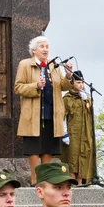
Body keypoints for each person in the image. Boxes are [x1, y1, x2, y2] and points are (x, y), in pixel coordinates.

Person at [14, 35, 73, 185]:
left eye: (47, 47)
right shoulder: (25, 64)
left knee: (48, 147)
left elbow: (64, 86)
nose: (45, 49)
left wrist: (69, 76)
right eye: (42, 46)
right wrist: (35, 86)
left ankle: (45, 179)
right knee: (34, 147)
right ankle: (34, 179)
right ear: (34, 50)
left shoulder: (53, 66)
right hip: (33, 114)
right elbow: (18, 87)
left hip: (51, 113)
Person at [61, 70, 94, 184]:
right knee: (72, 159)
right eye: (78, 82)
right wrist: (64, 133)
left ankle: (80, 183)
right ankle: (72, 183)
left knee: (83, 159)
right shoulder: (67, 98)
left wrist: (86, 100)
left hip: (85, 133)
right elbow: (62, 116)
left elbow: (90, 115)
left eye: (82, 82)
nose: (81, 85)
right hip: (72, 133)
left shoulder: (85, 98)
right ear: (73, 83)